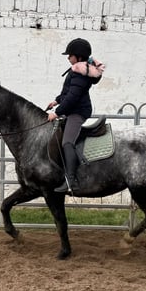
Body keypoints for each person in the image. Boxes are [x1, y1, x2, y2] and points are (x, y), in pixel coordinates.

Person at [47, 38, 104, 193]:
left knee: (67, 142)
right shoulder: (78, 70)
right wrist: (56, 101)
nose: (68, 57)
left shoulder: (79, 73)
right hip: (74, 109)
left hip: (77, 112)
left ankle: (71, 181)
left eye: (70, 55)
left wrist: (56, 113)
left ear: (78, 57)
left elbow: (73, 97)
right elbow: (68, 92)